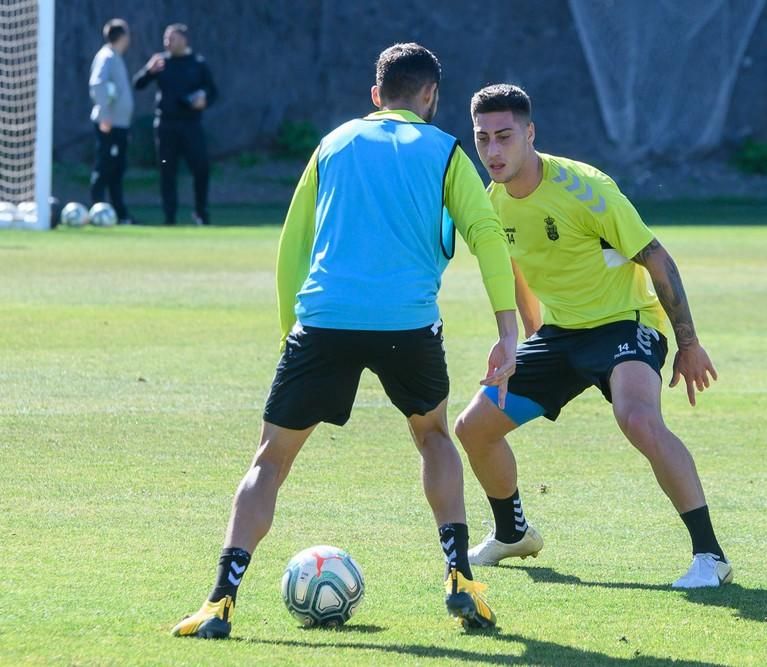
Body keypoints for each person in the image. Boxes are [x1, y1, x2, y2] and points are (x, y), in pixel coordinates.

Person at [171, 44, 518, 639]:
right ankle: (459, 577)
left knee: (270, 460)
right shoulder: (447, 152)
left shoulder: (332, 144)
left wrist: (292, 333)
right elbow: (486, 234)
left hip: (323, 320)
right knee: (433, 436)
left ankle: (219, 601)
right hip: (407, 324)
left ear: (376, 94)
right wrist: (507, 330)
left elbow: (293, 244)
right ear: (430, 96)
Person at [454, 84, 731, 589]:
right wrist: (527, 339)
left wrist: (688, 344)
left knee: (638, 418)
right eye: (483, 139)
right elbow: (515, 268)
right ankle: (513, 532)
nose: (493, 151)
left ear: (530, 134)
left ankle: (710, 556)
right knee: (473, 428)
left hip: (626, 321)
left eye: (504, 137)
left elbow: (656, 258)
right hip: (562, 334)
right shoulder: (493, 201)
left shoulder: (587, 189)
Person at [133, 23, 216, 225]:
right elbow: (138, 84)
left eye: (172, 38)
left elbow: (213, 92)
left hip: (191, 125)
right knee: (167, 170)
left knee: (201, 168)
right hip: (166, 125)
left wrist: (203, 99)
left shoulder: (198, 63)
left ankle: (200, 213)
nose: (167, 42)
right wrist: (148, 70)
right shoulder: (161, 62)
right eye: (166, 38)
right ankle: (169, 217)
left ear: (184, 40)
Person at [88, 18, 134, 225]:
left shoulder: (116, 57)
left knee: (117, 169)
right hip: (109, 124)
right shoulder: (106, 56)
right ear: (122, 37)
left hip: (120, 124)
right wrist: (105, 115)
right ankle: (98, 210)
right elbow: (98, 84)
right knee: (104, 167)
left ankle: (119, 213)